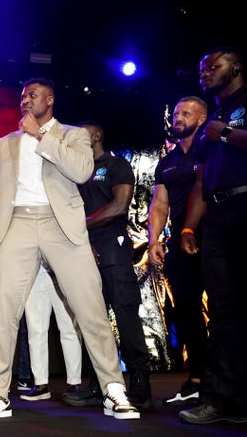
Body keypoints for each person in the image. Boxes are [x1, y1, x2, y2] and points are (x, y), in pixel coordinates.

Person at [0, 77, 139, 421]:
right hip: (17, 223)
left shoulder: (73, 135)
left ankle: (113, 388)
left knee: (90, 306)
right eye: (21, 96)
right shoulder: (6, 142)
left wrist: (40, 134)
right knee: (3, 310)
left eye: (31, 95)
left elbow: (81, 171)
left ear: (49, 100)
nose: (24, 101)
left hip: (60, 223)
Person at [178, 46, 247, 425]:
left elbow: (230, 139)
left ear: (235, 66)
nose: (204, 72)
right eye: (202, 67)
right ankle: (224, 401)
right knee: (222, 311)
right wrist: (190, 225)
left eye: (213, 66)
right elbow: (202, 179)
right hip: (218, 215)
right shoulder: (213, 118)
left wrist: (227, 134)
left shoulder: (231, 115)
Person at [67, 120, 153, 411]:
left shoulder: (115, 165)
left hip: (112, 243)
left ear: (97, 135)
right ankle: (98, 385)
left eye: (82, 133)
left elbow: (119, 206)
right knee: (93, 319)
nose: (75, 137)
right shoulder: (75, 172)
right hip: (83, 247)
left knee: (125, 313)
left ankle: (140, 385)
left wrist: (81, 226)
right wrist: (80, 237)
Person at [147, 96, 208, 406]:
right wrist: (154, 240)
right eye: (177, 113)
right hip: (178, 247)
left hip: (213, 238)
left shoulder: (210, 151)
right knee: (186, 310)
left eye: (186, 114)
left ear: (202, 119)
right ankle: (198, 377)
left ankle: (226, 378)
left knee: (226, 309)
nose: (178, 118)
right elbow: (159, 204)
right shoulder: (168, 162)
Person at [20, 263, 82, 401]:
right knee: (35, 331)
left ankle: (74, 383)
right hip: (33, 274)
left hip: (61, 272)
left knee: (69, 329)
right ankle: (40, 384)